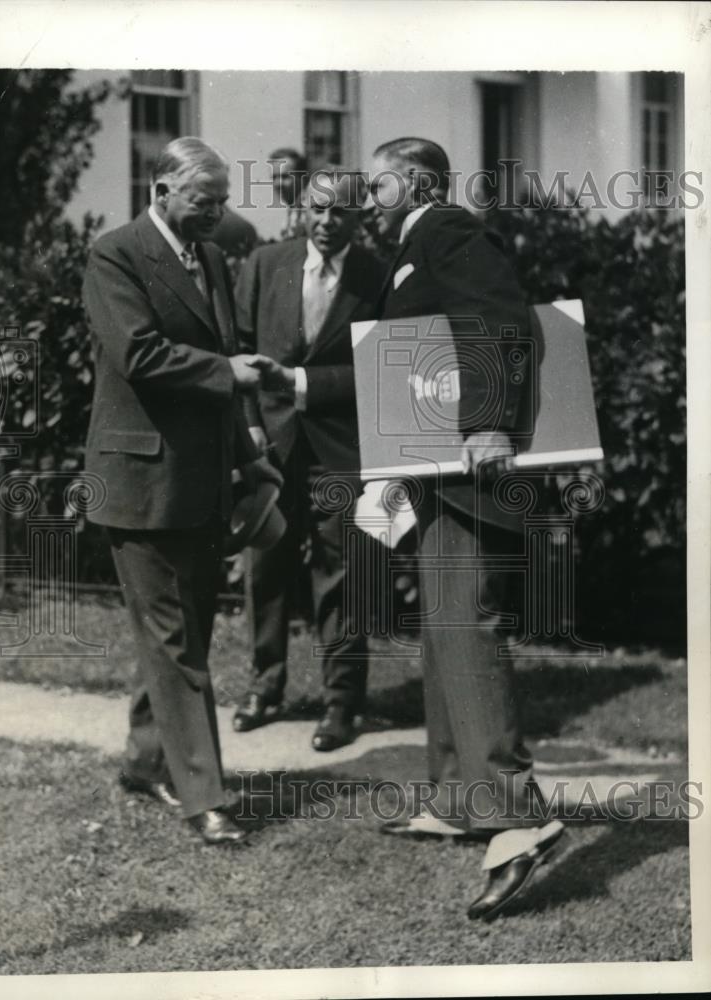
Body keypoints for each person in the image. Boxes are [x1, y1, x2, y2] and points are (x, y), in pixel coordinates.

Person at [363, 137, 564, 920]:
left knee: (465, 628)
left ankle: (518, 816)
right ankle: (455, 798)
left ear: (412, 181)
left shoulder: (446, 229)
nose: (369, 199)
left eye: (377, 185)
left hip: (466, 466)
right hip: (433, 468)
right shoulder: (416, 240)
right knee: (443, 631)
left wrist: (488, 424)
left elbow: (497, 318)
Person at [83, 136, 281, 845]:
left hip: (202, 482)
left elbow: (228, 359)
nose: (220, 212)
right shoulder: (116, 254)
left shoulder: (215, 259)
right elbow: (138, 353)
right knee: (174, 642)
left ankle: (144, 761)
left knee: (180, 634)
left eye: (224, 199)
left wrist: (250, 445)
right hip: (140, 480)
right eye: (207, 199)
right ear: (162, 189)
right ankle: (205, 798)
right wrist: (230, 373)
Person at [232, 167, 385, 751]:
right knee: (264, 569)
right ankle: (265, 688)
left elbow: (379, 369)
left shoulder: (377, 277)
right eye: (316, 209)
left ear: (360, 216)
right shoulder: (265, 264)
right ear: (302, 208)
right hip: (269, 445)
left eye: (340, 212)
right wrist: (250, 436)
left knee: (341, 575)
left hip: (339, 451)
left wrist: (300, 383)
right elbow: (238, 354)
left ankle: (342, 702)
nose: (325, 222)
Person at [269, 146, 308, 239]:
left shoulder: (311, 211)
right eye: (274, 177)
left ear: (302, 177)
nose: (278, 183)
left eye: (285, 177)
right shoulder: (293, 210)